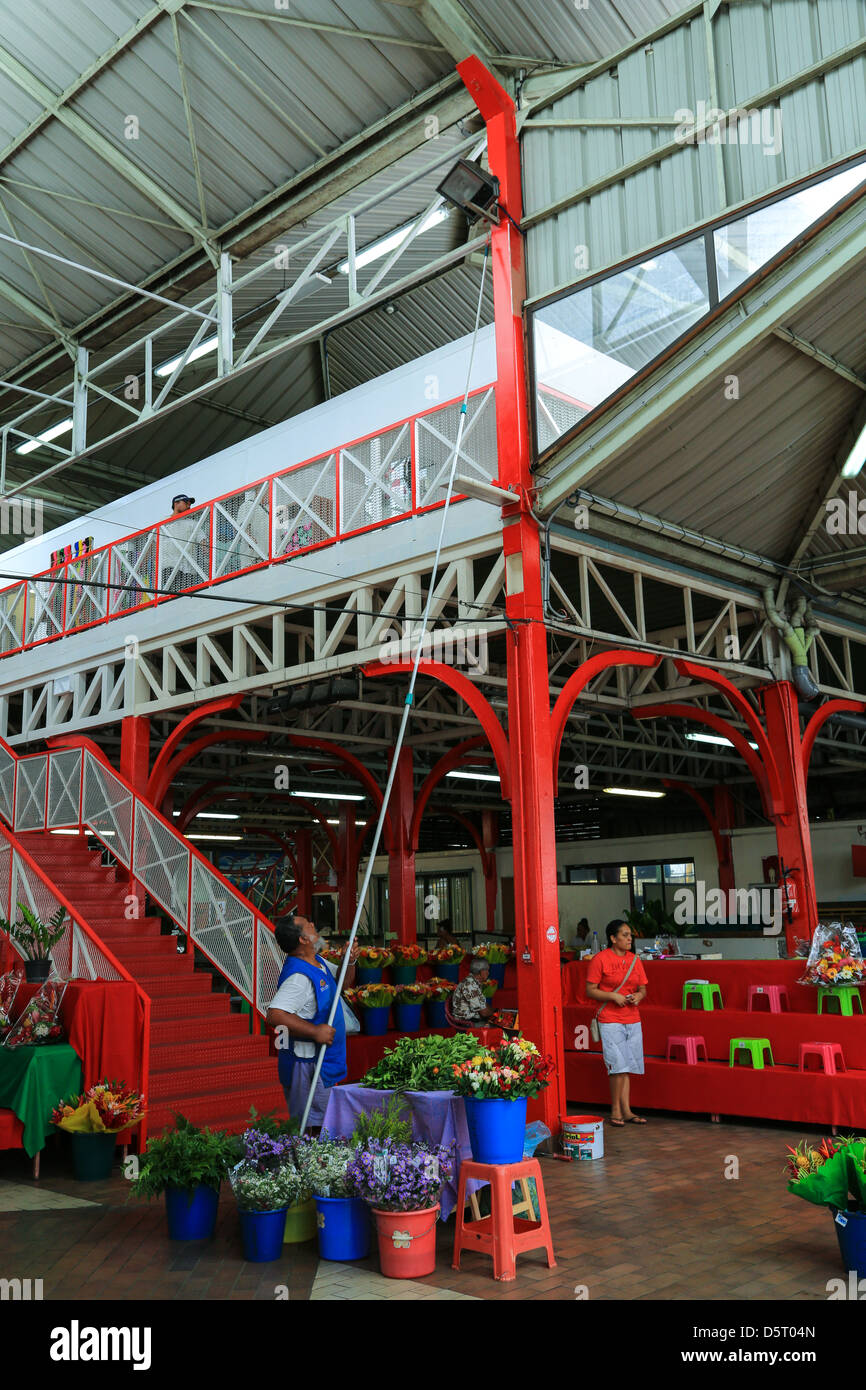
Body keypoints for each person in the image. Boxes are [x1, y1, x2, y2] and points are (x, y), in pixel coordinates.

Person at [265, 913, 357, 1127]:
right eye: (307, 924)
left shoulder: (316, 962)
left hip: (322, 1062)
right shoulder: (298, 978)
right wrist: (315, 1032)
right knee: (312, 1127)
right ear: (302, 940)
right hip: (306, 1065)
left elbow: (342, 984)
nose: (313, 923)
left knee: (323, 1123)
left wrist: (349, 961)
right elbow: (275, 1015)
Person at [585, 918, 648, 1127]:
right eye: (624, 935)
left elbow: (643, 989)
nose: (629, 939)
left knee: (626, 1065)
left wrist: (638, 997)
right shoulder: (600, 959)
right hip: (610, 1018)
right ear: (613, 938)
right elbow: (590, 990)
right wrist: (613, 996)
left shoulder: (635, 960)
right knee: (617, 1065)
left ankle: (626, 1110)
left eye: (630, 935)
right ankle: (616, 1111)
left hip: (632, 1017)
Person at [160, 493, 203, 594]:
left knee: (185, 598)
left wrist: (207, 558)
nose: (189, 506)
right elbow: (152, 543)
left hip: (188, 569)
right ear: (176, 504)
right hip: (168, 566)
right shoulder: (163, 522)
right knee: (168, 598)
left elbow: (203, 541)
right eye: (187, 503)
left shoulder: (192, 523)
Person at [450, 956, 495, 1025]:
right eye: (487, 970)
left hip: (472, 1020)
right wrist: (495, 1013)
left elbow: (482, 1005)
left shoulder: (473, 981)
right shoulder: (470, 985)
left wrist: (495, 1011)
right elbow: (484, 1013)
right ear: (481, 972)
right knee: (499, 1028)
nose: (488, 973)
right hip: (467, 1023)